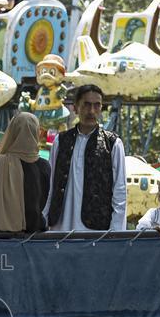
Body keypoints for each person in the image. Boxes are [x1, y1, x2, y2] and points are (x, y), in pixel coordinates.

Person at [42, 84, 127, 232]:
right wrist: (43, 219)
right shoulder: (60, 141)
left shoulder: (113, 143)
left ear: (101, 108)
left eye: (96, 105)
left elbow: (120, 191)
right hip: (60, 226)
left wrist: (116, 232)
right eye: (86, 105)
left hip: (97, 230)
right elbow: (50, 184)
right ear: (75, 107)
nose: (91, 111)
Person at [0, 112, 50, 232]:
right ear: (36, 133)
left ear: (12, 132)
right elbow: (45, 202)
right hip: (34, 237)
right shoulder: (44, 166)